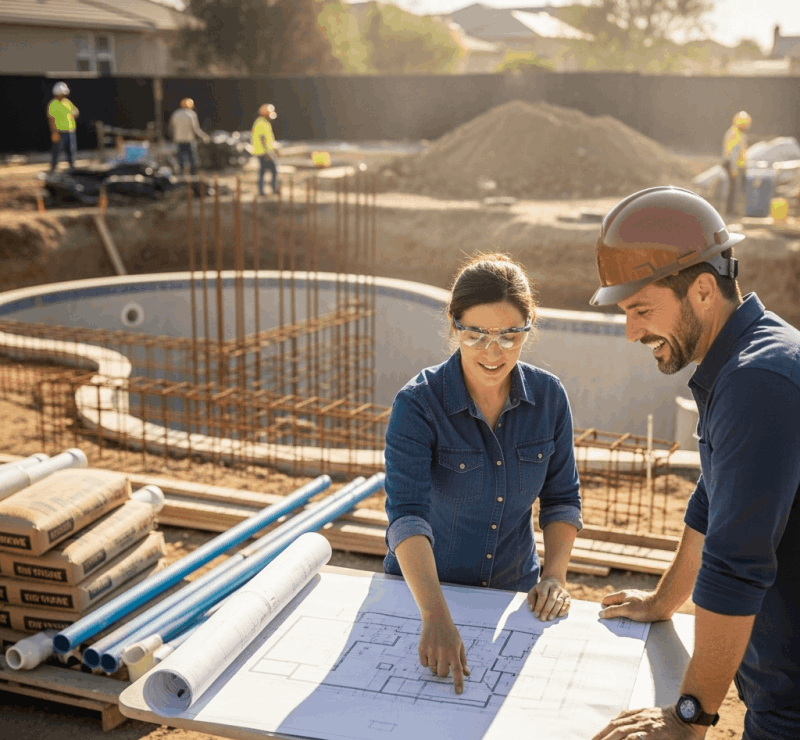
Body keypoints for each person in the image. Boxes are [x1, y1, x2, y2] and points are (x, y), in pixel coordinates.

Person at [588, 187, 800, 740]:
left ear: (702, 289)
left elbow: (735, 567)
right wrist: (663, 601)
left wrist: (689, 717)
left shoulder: (759, 380)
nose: (632, 331)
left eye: (640, 308)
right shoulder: (743, 364)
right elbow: (711, 503)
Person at [383, 253, 582, 696]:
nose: (494, 352)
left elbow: (562, 497)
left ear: (529, 328)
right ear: (454, 326)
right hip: (424, 598)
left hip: (513, 591)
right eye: (476, 335)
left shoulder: (549, 397)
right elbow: (407, 516)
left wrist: (555, 575)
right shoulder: (418, 405)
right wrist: (434, 615)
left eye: (511, 336)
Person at [168, 98, 209, 176]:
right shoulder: (191, 114)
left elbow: (171, 127)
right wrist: (203, 136)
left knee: (180, 158)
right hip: (189, 139)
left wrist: (173, 137)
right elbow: (195, 129)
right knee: (192, 158)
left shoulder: (176, 114)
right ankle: (193, 175)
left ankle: (181, 175)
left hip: (178, 139)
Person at [721, 110, 751, 217]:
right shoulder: (735, 134)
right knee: (733, 189)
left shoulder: (738, 133)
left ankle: (733, 211)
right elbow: (732, 153)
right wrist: (733, 168)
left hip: (737, 165)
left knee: (735, 189)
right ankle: (729, 212)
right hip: (733, 165)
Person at [47, 82, 79, 172]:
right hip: (59, 131)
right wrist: (54, 132)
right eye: (62, 94)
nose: (63, 95)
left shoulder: (67, 102)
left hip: (70, 131)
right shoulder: (52, 104)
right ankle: (53, 168)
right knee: (57, 151)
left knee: (71, 150)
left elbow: (76, 111)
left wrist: (74, 114)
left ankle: (72, 168)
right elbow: (51, 119)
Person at [251, 104, 280, 196]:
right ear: (265, 114)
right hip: (264, 153)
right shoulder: (261, 123)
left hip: (264, 152)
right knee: (272, 170)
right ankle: (270, 190)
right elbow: (262, 138)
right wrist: (269, 153)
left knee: (264, 171)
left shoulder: (264, 122)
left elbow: (268, 139)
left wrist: (274, 149)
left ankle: (264, 191)